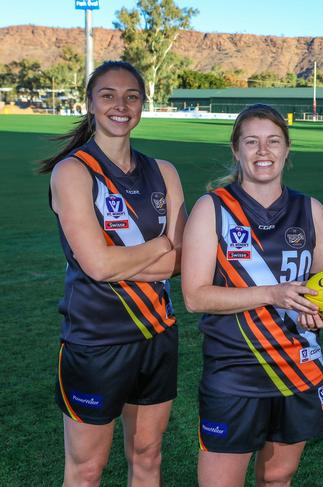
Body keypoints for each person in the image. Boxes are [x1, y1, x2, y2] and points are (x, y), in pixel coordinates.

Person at [41, 60, 186, 487]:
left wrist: (127, 260)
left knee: (147, 457)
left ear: (143, 103)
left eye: (131, 96)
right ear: (90, 103)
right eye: (108, 95)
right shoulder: (73, 171)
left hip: (157, 334)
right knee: (86, 471)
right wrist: (160, 245)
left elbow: (183, 262)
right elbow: (97, 265)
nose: (120, 105)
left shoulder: (164, 171)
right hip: (95, 340)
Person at [181, 104, 323, 487]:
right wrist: (272, 293)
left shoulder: (310, 210)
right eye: (252, 142)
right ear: (236, 149)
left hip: (298, 369)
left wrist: (319, 311)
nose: (263, 152)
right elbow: (195, 297)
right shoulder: (212, 208)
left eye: (273, 142)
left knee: (278, 477)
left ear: (287, 149)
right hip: (233, 371)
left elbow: (322, 290)